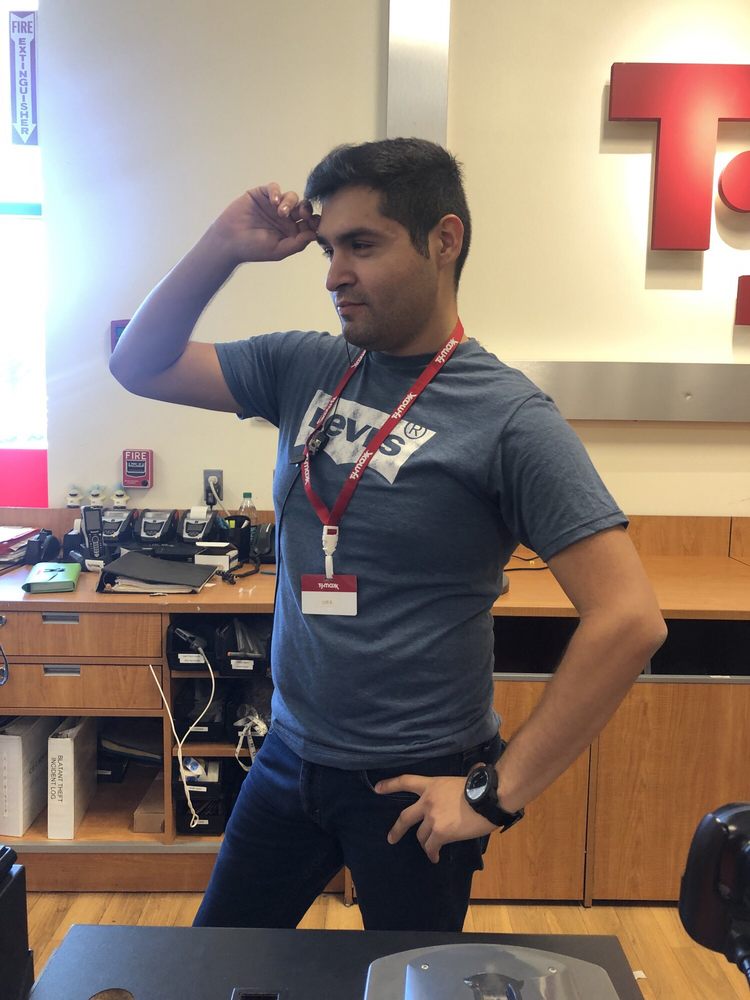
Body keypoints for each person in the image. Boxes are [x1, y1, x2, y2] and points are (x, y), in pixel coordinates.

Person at [110, 137, 667, 932]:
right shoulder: (305, 366)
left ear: (444, 240)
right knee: (215, 967)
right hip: (290, 755)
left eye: (362, 245)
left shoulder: (508, 419)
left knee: (408, 981)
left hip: (416, 786)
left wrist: (493, 796)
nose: (334, 274)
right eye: (329, 249)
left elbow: (630, 619)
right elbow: (136, 364)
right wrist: (224, 245)